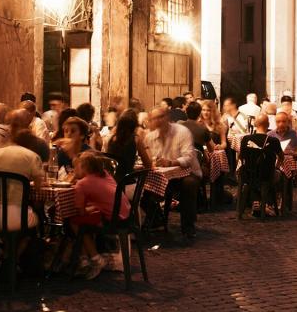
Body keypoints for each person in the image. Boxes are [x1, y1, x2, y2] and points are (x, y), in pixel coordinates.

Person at [68, 151, 130, 279]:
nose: (74, 170)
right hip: (126, 215)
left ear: (84, 168)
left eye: (76, 167)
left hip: (113, 219)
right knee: (84, 218)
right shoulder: (105, 175)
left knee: (74, 221)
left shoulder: (82, 184)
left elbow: (80, 212)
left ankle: (94, 259)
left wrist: (73, 179)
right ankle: (85, 258)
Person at [144, 107, 201, 239]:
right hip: (164, 176)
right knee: (141, 190)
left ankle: (188, 226)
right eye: (154, 118)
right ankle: (157, 218)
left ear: (167, 117)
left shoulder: (182, 132)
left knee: (189, 184)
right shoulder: (149, 137)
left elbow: (189, 158)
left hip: (187, 172)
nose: (158, 121)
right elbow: (149, 159)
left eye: (161, 117)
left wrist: (171, 162)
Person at [0, 129, 45, 231]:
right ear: (32, 145)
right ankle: (26, 244)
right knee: (37, 215)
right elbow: (39, 189)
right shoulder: (32, 156)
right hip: (16, 217)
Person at [104, 109, 153, 179]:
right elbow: (148, 165)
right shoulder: (136, 139)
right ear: (134, 126)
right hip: (127, 182)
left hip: (111, 181)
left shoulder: (110, 139)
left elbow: (113, 164)